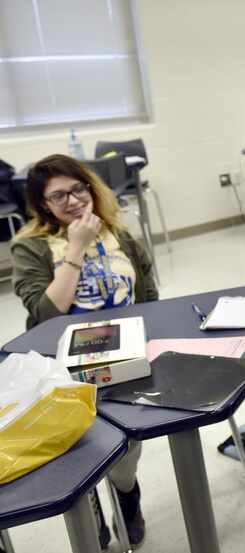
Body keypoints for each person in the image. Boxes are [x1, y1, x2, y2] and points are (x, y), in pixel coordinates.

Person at [11, 154, 155, 548]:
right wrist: (76, 247)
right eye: (59, 196)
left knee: (125, 456)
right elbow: (44, 314)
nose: (73, 201)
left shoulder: (120, 236)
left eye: (78, 189)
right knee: (81, 452)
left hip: (125, 361)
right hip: (64, 367)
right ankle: (89, 504)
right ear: (44, 205)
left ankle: (128, 497)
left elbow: (151, 299)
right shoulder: (32, 247)